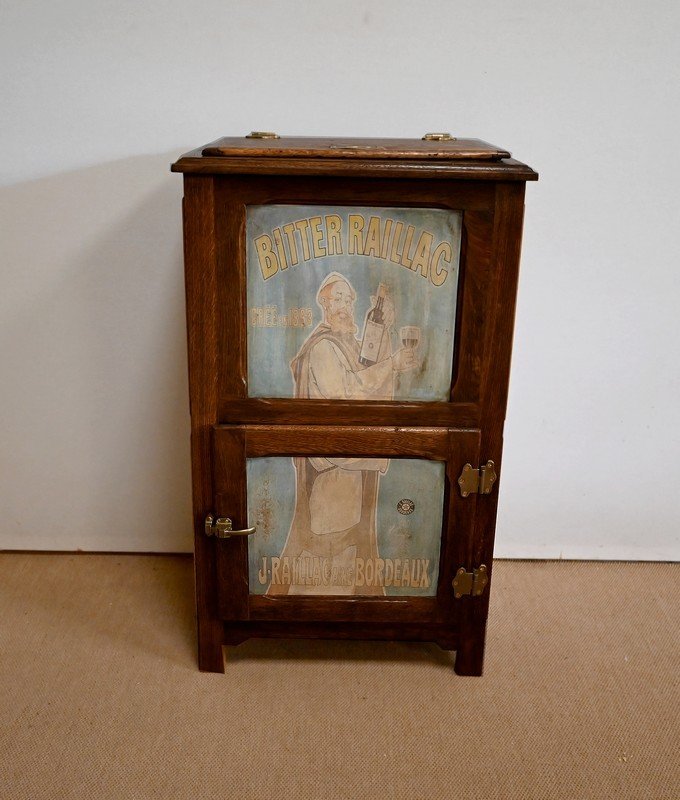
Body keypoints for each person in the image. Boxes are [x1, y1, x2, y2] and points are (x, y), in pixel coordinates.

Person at [267, 272, 416, 596]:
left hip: (347, 451)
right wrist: (390, 364)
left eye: (349, 300)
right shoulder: (322, 347)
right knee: (323, 539)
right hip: (328, 458)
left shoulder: (348, 343)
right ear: (324, 303)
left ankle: (361, 600)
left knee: (358, 536)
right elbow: (350, 389)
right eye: (338, 299)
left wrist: (386, 330)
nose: (345, 306)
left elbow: (369, 368)